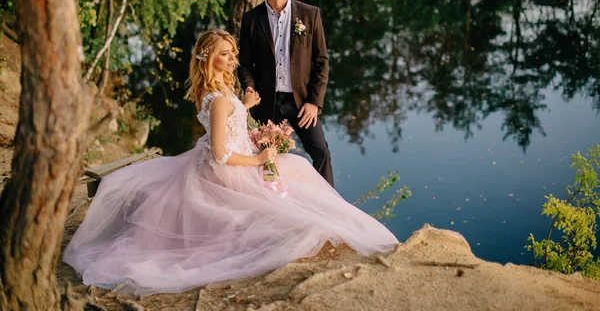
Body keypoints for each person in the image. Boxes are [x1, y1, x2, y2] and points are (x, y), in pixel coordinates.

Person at [62, 30, 398, 297]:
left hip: (229, 155)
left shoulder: (219, 88)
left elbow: (226, 126)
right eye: (225, 54)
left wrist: (247, 106)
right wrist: (258, 158)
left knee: (298, 168)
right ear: (210, 58)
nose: (233, 59)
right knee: (286, 195)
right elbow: (221, 153)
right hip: (225, 169)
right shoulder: (219, 97)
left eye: (233, 52)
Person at [238, 0, 334, 187]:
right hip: (266, 102)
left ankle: (329, 207)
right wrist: (249, 86)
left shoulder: (310, 15)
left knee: (321, 153)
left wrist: (314, 102)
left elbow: (321, 61)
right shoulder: (251, 19)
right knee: (267, 159)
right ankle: (275, 206)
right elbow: (244, 62)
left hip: (301, 103)